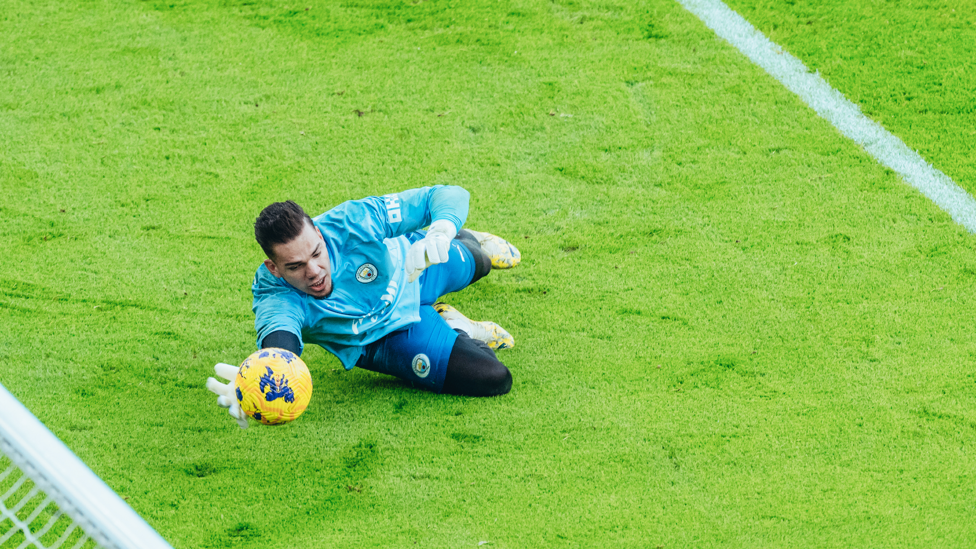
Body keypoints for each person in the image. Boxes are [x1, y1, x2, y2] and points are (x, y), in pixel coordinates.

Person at [206, 185, 521, 428]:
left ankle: (464, 241)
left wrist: (440, 232)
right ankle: (454, 325)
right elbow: (281, 343)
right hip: (381, 339)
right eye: (296, 266)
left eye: (317, 253)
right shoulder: (274, 294)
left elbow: (447, 194)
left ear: (318, 232)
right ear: (274, 268)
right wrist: (259, 376)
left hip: (415, 265)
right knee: (492, 377)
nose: (314, 271)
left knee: (479, 262)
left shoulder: (353, 221)